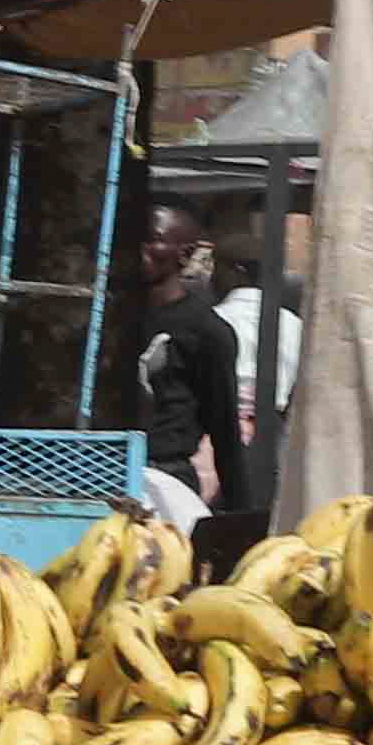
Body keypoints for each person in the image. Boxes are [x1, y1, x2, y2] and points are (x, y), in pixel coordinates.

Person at [129, 199, 252, 523]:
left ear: (183, 254)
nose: (139, 249)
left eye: (152, 239)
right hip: (103, 473)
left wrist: (241, 516)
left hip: (165, 483)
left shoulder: (206, 331)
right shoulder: (111, 316)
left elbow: (224, 428)